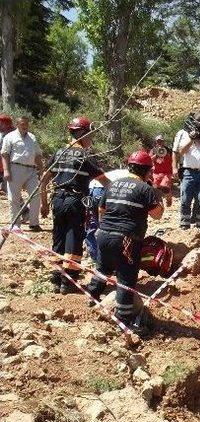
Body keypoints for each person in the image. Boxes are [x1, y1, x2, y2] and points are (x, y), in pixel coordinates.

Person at [86, 150, 164, 333]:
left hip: (104, 234)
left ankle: (92, 295)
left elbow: (101, 210)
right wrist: (157, 198)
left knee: (103, 267)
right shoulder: (145, 189)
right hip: (127, 239)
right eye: (150, 171)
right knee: (126, 278)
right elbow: (157, 215)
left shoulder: (113, 185)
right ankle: (123, 319)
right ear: (145, 171)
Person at [40, 117, 109, 293]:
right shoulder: (86, 156)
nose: (91, 139)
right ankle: (68, 281)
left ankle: (56, 278)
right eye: (90, 135)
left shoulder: (59, 153)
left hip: (57, 199)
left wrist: (43, 204)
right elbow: (104, 181)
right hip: (75, 201)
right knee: (74, 238)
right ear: (81, 134)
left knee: (59, 236)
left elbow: (44, 179)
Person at [1, 116, 44, 230]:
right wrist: (6, 171)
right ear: (17, 124)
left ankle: (34, 223)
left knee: (35, 195)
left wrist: (42, 169)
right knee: (14, 197)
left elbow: (38, 155)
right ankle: (15, 224)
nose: (25, 126)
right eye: (23, 124)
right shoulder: (9, 137)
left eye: (26, 124)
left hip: (31, 170)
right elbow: (5, 154)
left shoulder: (32, 137)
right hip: (15, 169)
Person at [86, 167, 130, 262]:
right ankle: (109, 259)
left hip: (92, 189)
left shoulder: (119, 172)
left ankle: (95, 257)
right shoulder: (134, 178)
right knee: (111, 225)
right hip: (104, 188)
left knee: (93, 223)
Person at [150, 134, 173, 207]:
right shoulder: (153, 150)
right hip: (156, 173)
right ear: (156, 142)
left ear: (163, 141)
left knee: (165, 186)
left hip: (167, 173)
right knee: (156, 189)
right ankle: (159, 205)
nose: (159, 142)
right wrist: (156, 155)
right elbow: (149, 160)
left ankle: (169, 198)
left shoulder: (168, 149)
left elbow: (172, 158)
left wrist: (164, 153)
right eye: (158, 141)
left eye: (161, 141)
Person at [0, 115, 14, 195]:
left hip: (10, 166)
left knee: (12, 188)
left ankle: (22, 205)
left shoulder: (14, 135)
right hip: (2, 166)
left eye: (1, 123)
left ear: (7, 124)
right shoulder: (1, 134)